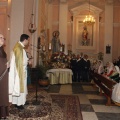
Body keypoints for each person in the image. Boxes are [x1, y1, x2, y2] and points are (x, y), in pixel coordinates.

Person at [9, 34, 30, 109]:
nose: (28, 42)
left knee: (20, 87)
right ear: (25, 40)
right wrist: (27, 61)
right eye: (28, 40)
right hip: (19, 71)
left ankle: (20, 101)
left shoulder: (19, 47)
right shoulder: (19, 48)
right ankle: (19, 104)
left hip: (20, 70)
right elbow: (21, 62)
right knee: (19, 86)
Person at [0, 34, 9, 119]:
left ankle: (3, 113)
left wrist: (7, 64)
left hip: (4, 75)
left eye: (3, 38)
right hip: (0, 75)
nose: (3, 39)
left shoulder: (2, 50)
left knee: (3, 94)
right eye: (1, 38)